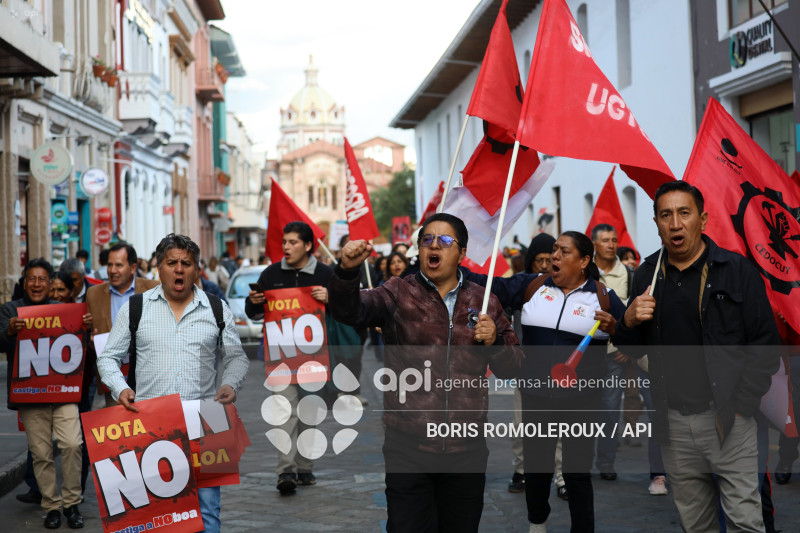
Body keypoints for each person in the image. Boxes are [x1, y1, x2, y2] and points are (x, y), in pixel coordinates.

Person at [329, 213, 523, 533]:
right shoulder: (397, 293)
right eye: (427, 240)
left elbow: (515, 365)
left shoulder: (484, 300)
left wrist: (495, 341)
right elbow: (350, 310)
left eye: (445, 241)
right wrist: (346, 272)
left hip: (466, 449)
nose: (434, 246)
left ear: (461, 254)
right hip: (409, 446)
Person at [612, 181, 780, 532]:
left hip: (728, 418)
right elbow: (631, 348)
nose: (675, 223)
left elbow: (764, 344)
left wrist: (742, 403)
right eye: (666, 215)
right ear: (656, 223)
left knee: (745, 521)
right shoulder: (647, 274)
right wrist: (627, 321)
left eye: (684, 213)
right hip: (673, 423)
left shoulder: (736, 271)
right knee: (695, 523)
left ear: (702, 219)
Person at [467, 232, 625, 533]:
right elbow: (488, 285)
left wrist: (617, 329)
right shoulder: (533, 286)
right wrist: (453, 268)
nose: (555, 256)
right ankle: (537, 523)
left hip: (582, 404)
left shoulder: (604, 298)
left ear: (583, 261)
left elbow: (632, 340)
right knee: (537, 471)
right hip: (536, 399)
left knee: (577, 474)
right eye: (554, 250)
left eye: (564, 252)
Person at [97, 234, 248, 533]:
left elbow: (237, 357)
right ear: (158, 268)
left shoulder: (216, 309)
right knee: (154, 516)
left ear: (196, 270)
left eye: (186, 263)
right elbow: (107, 358)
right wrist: (121, 388)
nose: (179, 269)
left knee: (208, 513)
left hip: (206, 422)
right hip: (150, 426)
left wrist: (231, 382)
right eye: (171, 263)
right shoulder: (136, 308)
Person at [1, 258, 91, 529]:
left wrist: (87, 327)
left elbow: (83, 348)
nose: (37, 284)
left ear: (51, 282)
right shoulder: (10, 310)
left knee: (73, 444)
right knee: (41, 454)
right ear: (24, 281)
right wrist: (9, 331)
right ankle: (52, 507)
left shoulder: (65, 309)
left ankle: (72, 504)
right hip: (30, 396)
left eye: (43, 279)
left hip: (63, 393)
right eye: (32, 279)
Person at [245, 221, 333, 495]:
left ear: (308, 246)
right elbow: (253, 312)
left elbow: (347, 308)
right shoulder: (271, 273)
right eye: (284, 242)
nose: (286, 247)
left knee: (310, 413)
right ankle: (286, 471)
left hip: (313, 357)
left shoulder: (324, 274)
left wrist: (330, 297)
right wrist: (255, 302)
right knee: (283, 412)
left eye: (293, 242)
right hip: (280, 357)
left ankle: (305, 467)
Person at [508, 233, 556, 495]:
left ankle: (560, 477)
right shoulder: (520, 290)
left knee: (559, 429)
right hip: (525, 369)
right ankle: (522, 470)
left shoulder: (567, 289)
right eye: (540, 260)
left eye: (551, 259)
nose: (546, 265)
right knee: (521, 425)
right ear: (531, 262)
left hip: (560, 372)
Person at [86, 242, 160, 408]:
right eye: (109, 265)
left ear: (133, 268)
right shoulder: (94, 294)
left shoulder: (153, 289)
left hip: (150, 379)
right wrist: (91, 342)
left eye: (119, 265)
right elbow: (89, 333)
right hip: (115, 381)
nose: (112, 270)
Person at [590, 223, 634, 482]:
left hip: (614, 356)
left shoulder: (627, 275)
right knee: (583, 408)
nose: (611, 244)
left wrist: (627, 348)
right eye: (605, 240)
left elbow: (632, 317)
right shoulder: (586, 273)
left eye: (614, 240)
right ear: (594, 244)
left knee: (609, 410)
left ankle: (606, 461)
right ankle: (579, 460)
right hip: (587, 355)